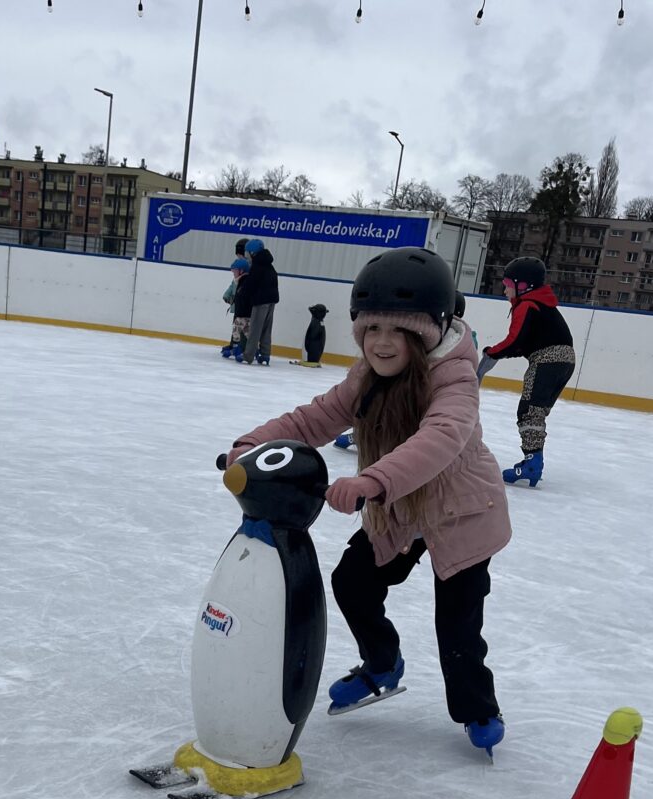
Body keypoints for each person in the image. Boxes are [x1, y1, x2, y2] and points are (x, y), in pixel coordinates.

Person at [225, 246, 511, 754]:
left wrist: (371, 481)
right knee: (351, 583)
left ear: (427, 332)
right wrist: (254, 444)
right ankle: (382, 663)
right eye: (370, 329)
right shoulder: (365, 377)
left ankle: (478, 709)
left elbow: (441, 438)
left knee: (458, 626)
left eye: (397, 331)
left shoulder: (455, 377)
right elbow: (312, 419)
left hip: (460, 512)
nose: (380, 343)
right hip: (400, 509)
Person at [477, 256, 575, 487]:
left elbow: (515, 340)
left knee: (529, 411)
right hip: (565, 361)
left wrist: (491, 353)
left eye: (508, 285)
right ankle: (533, 459)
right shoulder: (541, 305)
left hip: (547, 360)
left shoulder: (526, 305)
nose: (505, 291)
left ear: (523, 286)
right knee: (536, 411)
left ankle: (532, 463)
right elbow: (522, 343)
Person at [241, 238, 279, 365]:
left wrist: (242, 294)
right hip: (272, 301)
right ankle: (265, 355)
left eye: (247, 254)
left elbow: (251, 284)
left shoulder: (257, 266)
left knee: (255, 329)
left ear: (253, 253)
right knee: (266, 329)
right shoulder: (269, 264)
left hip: (261, 301)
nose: (247, 257)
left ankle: (248, 356)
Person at [220, 258, 252, 361]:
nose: (233, 273)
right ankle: (251, 349)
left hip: (244, 313)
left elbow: (244, 297)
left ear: (241, 271)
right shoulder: (239, 280)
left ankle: (237, 348)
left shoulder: (245, 281)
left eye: (234, 271)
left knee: (238, 329)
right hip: (242, 312)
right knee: (246, 331)